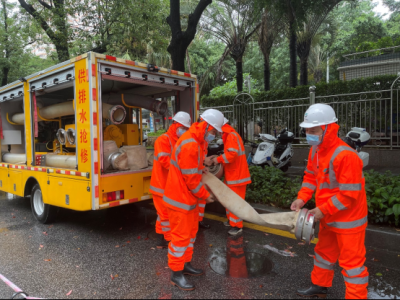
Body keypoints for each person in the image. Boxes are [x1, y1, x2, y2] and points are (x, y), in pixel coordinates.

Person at [291, 104, 369, 299]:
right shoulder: (315, 151)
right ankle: (319, 285)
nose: (309, 134)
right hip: (328, 216)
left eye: (313, 130)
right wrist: (301, 199)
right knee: (323, 254)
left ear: (328, 128)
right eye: (307, 130)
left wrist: (322, 210)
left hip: (348, 221)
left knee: (352, 266)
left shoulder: (346, 155)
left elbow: (349, 195)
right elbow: (310, 177)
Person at [163, 109, 224, 291]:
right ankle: (176, 273)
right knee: (181, 239)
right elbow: (190, 179)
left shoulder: (195, 141)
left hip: (186, 200)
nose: (213, 135)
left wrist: (201, 169)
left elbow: (192, 168)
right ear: (205, 126)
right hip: (180, 199)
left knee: (189, 236)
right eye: (213, 132)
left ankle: (185, 265)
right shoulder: (191, 143)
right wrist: (206, 195)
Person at [149, 112, 191, 249]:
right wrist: (183, 171)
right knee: (165, 215)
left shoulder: (178, 141)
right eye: (183, 127)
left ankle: (160, 239)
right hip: (161, 185)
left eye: (186, 128)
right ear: (175, 125)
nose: (184, 130)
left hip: (170, 185)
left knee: (163, 215)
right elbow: (165, 161)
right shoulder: (163, 140)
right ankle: (169, 241)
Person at [210, 118, 251, 236]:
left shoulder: (231, 136)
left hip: (237, 176)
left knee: (235, 202)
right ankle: (232, 221)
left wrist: (216, 160)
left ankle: (237, 226)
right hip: (233, 175)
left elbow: (231, 155)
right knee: (229, 200)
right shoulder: (229, 135)